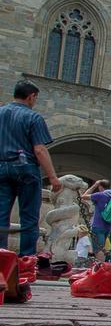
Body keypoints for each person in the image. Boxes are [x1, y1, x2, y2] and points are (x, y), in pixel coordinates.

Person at [0, 79, 61, 255]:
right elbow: (40, 150)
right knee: (29, 218)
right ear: (31, 96)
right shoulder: (33, 117)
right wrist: (52, 177)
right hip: (25, 168)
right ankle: (25, 260)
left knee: (1, 216)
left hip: (2, 167)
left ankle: (2, 258)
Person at [81, 179, 111, 258]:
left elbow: (83, 196)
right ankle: (102, 265)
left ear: (100, 187)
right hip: (109, 226)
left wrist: (94, 186)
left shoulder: (100, 195)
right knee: (102, 247)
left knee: (98, 249)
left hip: (98, 225)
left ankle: (101, 267)